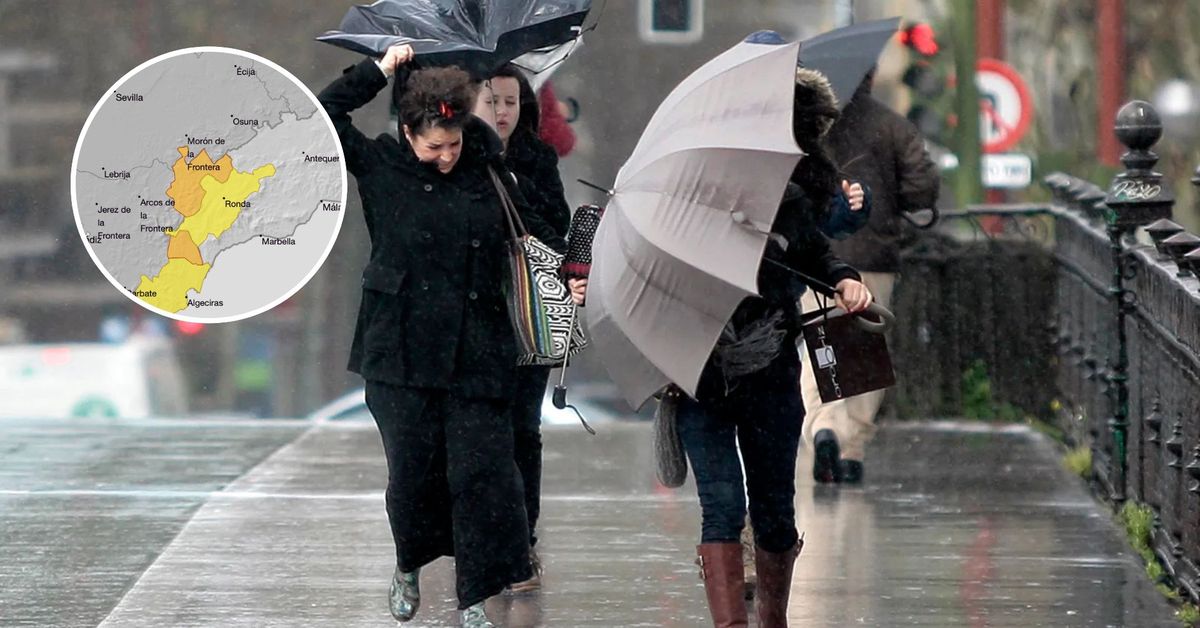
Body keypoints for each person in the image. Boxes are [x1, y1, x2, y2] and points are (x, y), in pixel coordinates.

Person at [317, 44, 578, 628]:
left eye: (454, 143)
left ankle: (475, 600)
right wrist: (377, 71)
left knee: (482, 480)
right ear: (409, 132)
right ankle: (409, 561)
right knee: (412, 479)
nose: (445, 156)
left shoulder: (490, 170)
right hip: (400, 354)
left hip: (479, 352)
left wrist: (569, 273)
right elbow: (321, 114)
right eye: (434, 145)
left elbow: (542, 232)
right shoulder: (380, 166)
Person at [680, 64, 873, 628]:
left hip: (770, 372)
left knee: (773, 514)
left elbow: (816, 252)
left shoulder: (786, 196)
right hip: (699, 376)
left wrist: (844, 277)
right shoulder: (687, 196)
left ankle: (773, 620)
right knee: (720, 509)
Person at [801, 67, 941, 485]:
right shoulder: (892, 126)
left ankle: (825, 426)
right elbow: (922, 187)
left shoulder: (808, 126)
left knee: (819, 346)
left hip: (816, 258)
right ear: (872, 75)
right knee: (864, 354)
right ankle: (853, 448)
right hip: (874, 255)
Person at [472, 63, 572, 593]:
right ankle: (481, 538)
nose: (502, 112)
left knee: (521, 433)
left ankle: (521, 543)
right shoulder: (455, 156)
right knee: (477, 437)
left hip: (528, 317)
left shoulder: (535, 157)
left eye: (511, 102)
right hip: (473, 317)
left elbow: (557, 227)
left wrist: (513, 187)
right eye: (492, 102)